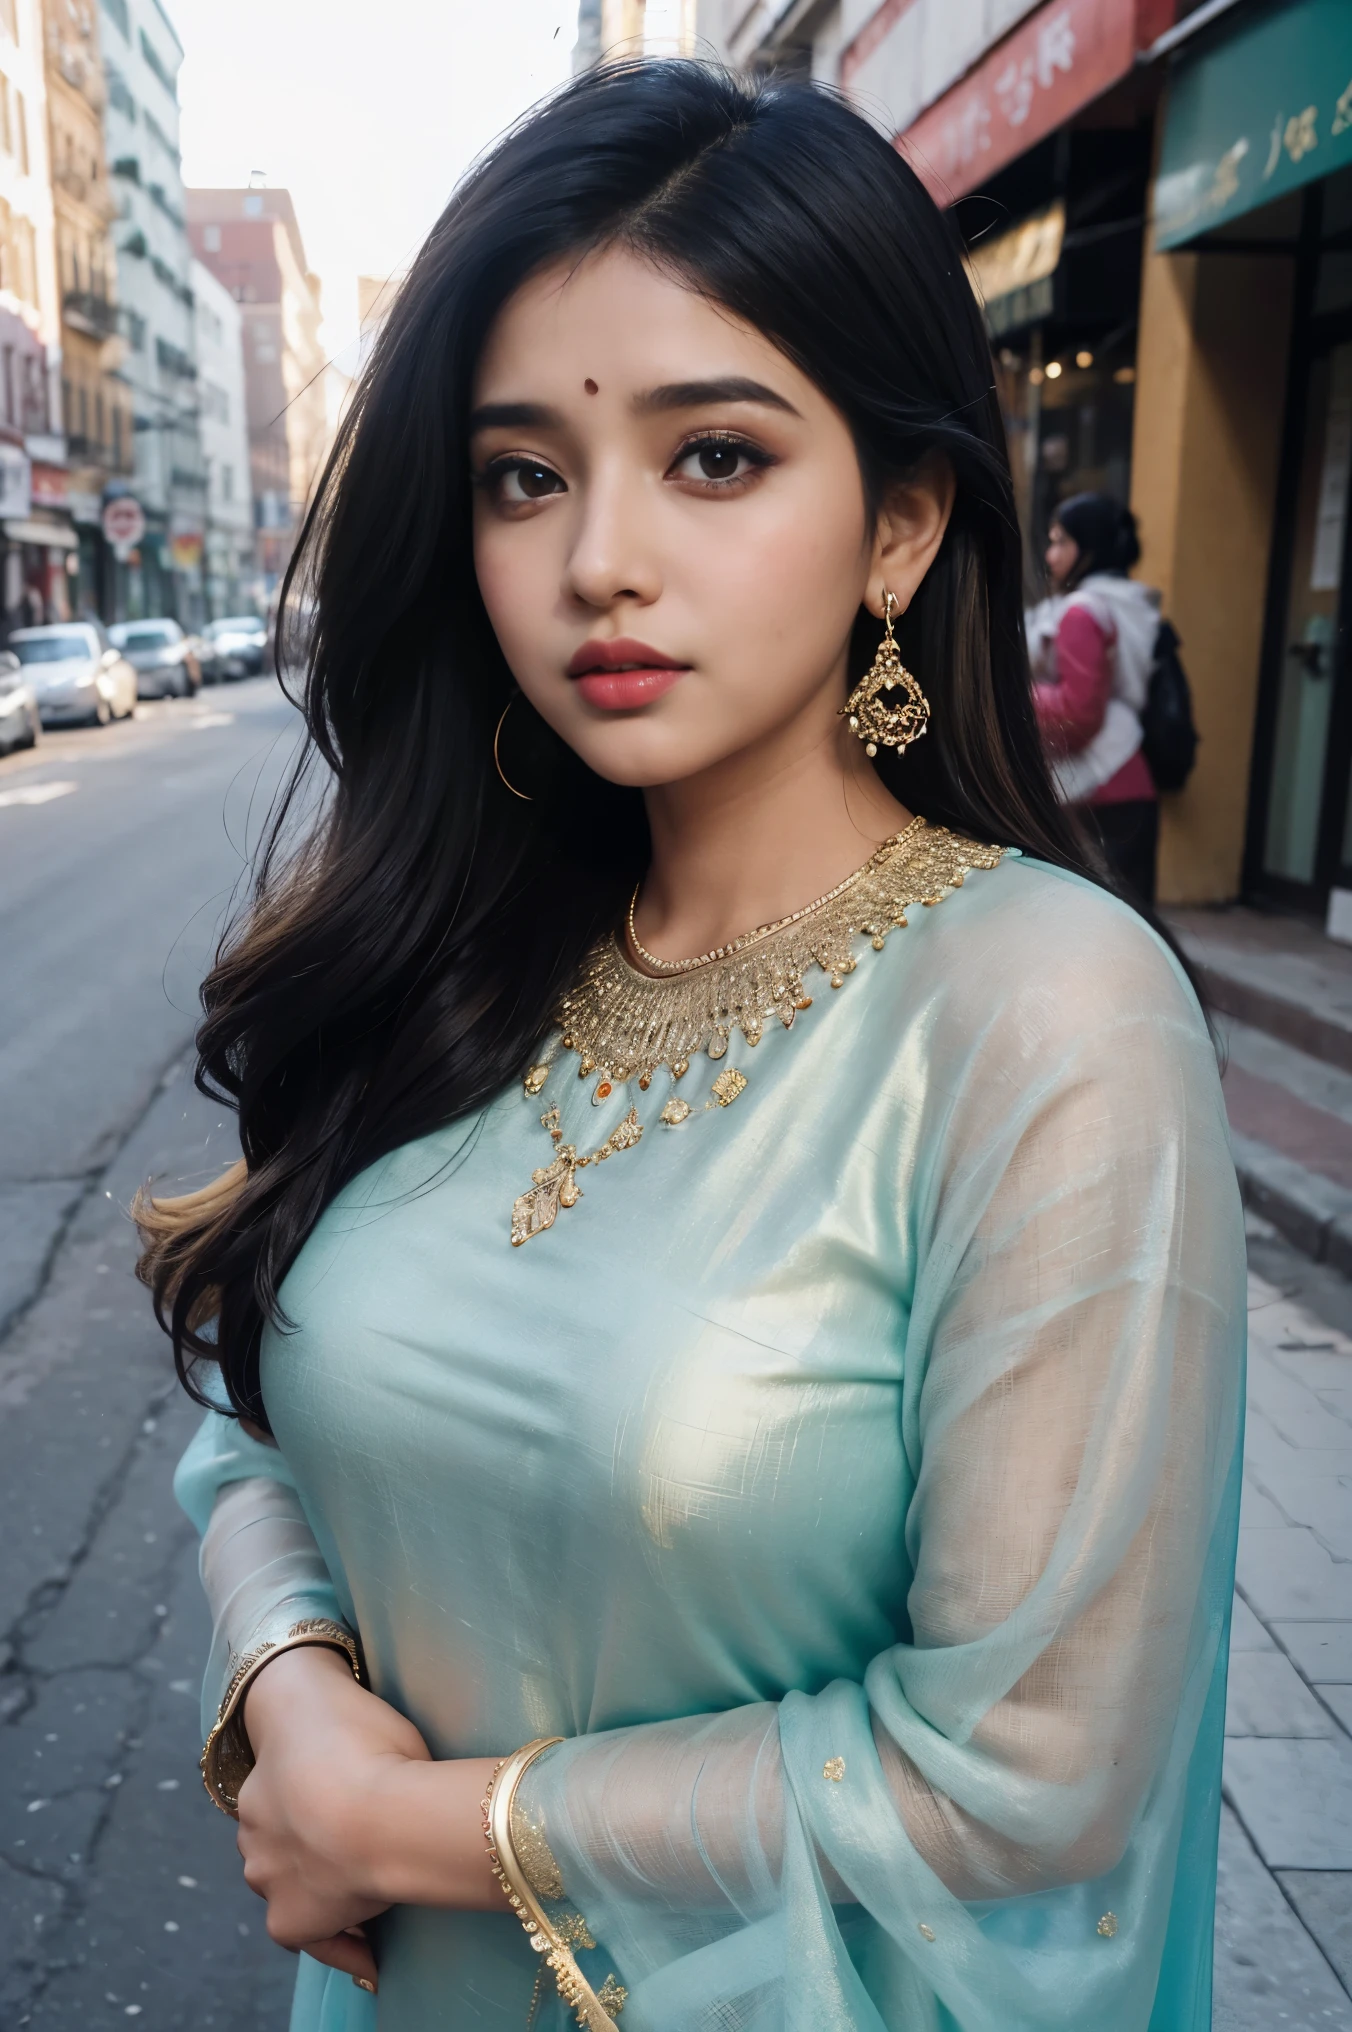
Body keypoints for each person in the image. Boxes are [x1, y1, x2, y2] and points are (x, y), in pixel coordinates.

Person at [137, 60, 1244, 2032]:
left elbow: (1033, 1763)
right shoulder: (457, 951)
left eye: (712, 455)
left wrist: (409, 1833)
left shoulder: (1041, 1009)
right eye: (521, 473)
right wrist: (289, 1688)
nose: (597, 562)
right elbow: (249, 1415)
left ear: (900, 521)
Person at [1027, 494, 1162, 903]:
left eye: (1060, 542)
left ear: (1087, 547)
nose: (1050, 555)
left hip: (1107, 790)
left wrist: (1012, 696)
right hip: (1117, 786)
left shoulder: (1081, 613)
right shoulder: (1119, 603)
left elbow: (1079, 712)